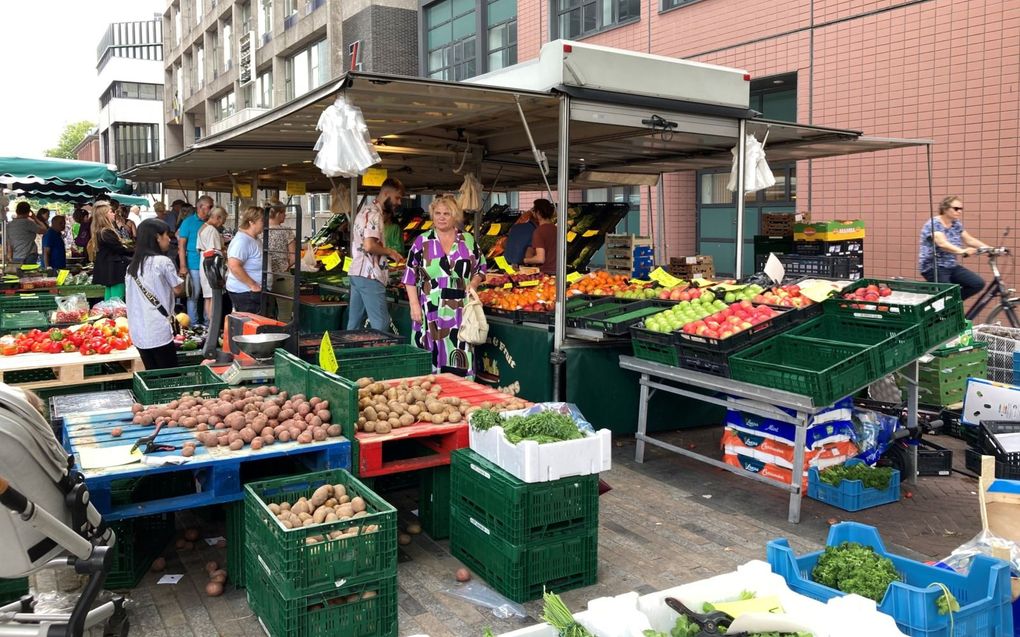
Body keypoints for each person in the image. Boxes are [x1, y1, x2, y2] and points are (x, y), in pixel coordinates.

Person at [403, 195, 487, 378]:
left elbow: (481, 269)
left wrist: (473, 284)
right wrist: (414, 305)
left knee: (459, 353)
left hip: (459, 310)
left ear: (455, 216)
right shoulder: (422, 242)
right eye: (437, 213)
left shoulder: (468, 241)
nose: (441, 217)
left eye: (446, 213)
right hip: (428, 310)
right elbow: (409, 276)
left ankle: (460, 394)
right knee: (428, 356)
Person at [125, 219, 184, 370]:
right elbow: (178, 290)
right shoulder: (162, 262)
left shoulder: (132, 266)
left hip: (138, 330)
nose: (169, 239)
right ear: (157, 237)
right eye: (166, 235)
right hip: (158, 328)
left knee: (152, 372)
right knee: (169, 375)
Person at [349, 178, 405, 330]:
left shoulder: (365, 211)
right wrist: (390, 252)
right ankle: (380, 353)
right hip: (370, 275)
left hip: (357, 273)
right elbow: (369, 245)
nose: (399, 202)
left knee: (354, 325)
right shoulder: (375, 215)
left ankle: (349, 352)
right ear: (386, 193)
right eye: (397, 198)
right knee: (381, 324)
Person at [919, 195, 991, 300]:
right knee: (948, 293)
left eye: (961, 209)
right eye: (956, 209)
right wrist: (962, 251)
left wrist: (989, 248)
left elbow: (969, 239)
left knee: (977, 283)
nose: (959, 211)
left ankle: (952, 305)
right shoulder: (933, 224)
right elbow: (942, 243)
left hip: (951, 266)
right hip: (933, 267)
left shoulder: (956, 224)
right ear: (945, 208)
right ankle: (946, 307)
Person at [177, 195, 212, 325]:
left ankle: (208, 323)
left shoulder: (211, 222)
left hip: (208, 265)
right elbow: (181, 245)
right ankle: (193, 324)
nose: (212, 209)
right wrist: (183, 265)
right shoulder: (188, 222)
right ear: (201, 207)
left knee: (208, 295)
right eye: (210, 206)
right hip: (194, 264)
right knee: (193, 295)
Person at [88, 202, 133, 300]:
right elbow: (119, 249)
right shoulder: (106, 232)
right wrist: (135, 251)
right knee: (117, 301)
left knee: (109, 300)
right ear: (104, 216)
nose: (114, 214)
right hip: (114, 270)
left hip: (108, 270)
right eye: (111, 212)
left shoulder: (100, 231)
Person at [226, 206, 265, 314]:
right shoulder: (242, 241)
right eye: (262, 221)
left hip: (252, 292)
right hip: (246, 293)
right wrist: (253, 285)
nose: (265, 224)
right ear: (251, 222)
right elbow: (234, 265)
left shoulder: (254, 239)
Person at [197, 205, 228, 322]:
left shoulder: (202, 227)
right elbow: (214, 251)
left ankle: (209, 324)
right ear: (218, 218)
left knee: (208, 296)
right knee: (213, 296)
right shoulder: (212, 230)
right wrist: (224, 252)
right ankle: (213, 323)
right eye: (223, 220)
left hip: (203, 263)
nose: (222, 224)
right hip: (212, 266)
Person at [267, 203, 296, 321]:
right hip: (282, 277)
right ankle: (284, 337)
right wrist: (285, 266)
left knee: (266, 313)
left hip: (264, 276)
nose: (286, 215)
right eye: (284, 213)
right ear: (278, 214)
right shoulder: (286, 231)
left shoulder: (260, 230)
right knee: (285, 314)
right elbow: (293, 257)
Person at [522, 198, 557, 275]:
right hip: (558, 271)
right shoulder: (556, 229)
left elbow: (540, 259)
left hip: (545, 273)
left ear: (538, 213)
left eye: (533, 210)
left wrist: (524, 260)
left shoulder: (539, 231)